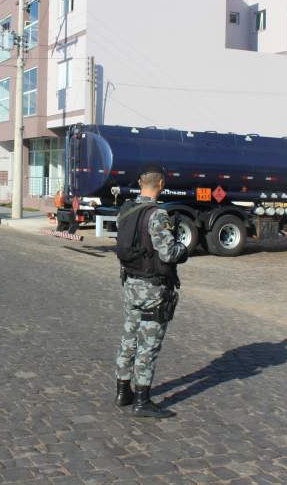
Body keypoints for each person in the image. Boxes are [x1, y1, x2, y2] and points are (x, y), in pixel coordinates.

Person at [114, 165, 188, 419]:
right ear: (162, 184)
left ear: (139, 181)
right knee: (148, 344)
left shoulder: (125, 211)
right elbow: (168, 253)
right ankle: (142, 400)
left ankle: (123, 391)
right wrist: (183, 248)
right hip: (153, 288)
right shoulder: (157, 215)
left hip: (130, 284)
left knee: (129, 338)